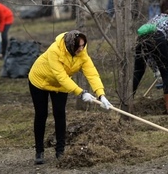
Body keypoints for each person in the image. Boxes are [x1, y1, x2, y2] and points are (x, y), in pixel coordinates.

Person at [28, 30, 112, 165]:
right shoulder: (54, 51)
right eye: (78, 46)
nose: (81, 49)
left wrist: (101, 94)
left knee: (59, 113)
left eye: (83, 45)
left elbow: (92, 73)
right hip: (39, 81)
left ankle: (60, 151)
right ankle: (39, 151)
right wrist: (81, 92)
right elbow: (61, 76)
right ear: (70, 45)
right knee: (41, 114)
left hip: (60, 86)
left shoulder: (82, 52)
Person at [132, 0, 168, 114]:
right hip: (159, 38)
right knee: (166, 73)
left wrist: (155, 69)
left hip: (141, 40)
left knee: (138, 71)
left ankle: (127, 102)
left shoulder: (153, 19)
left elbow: (150, 55)